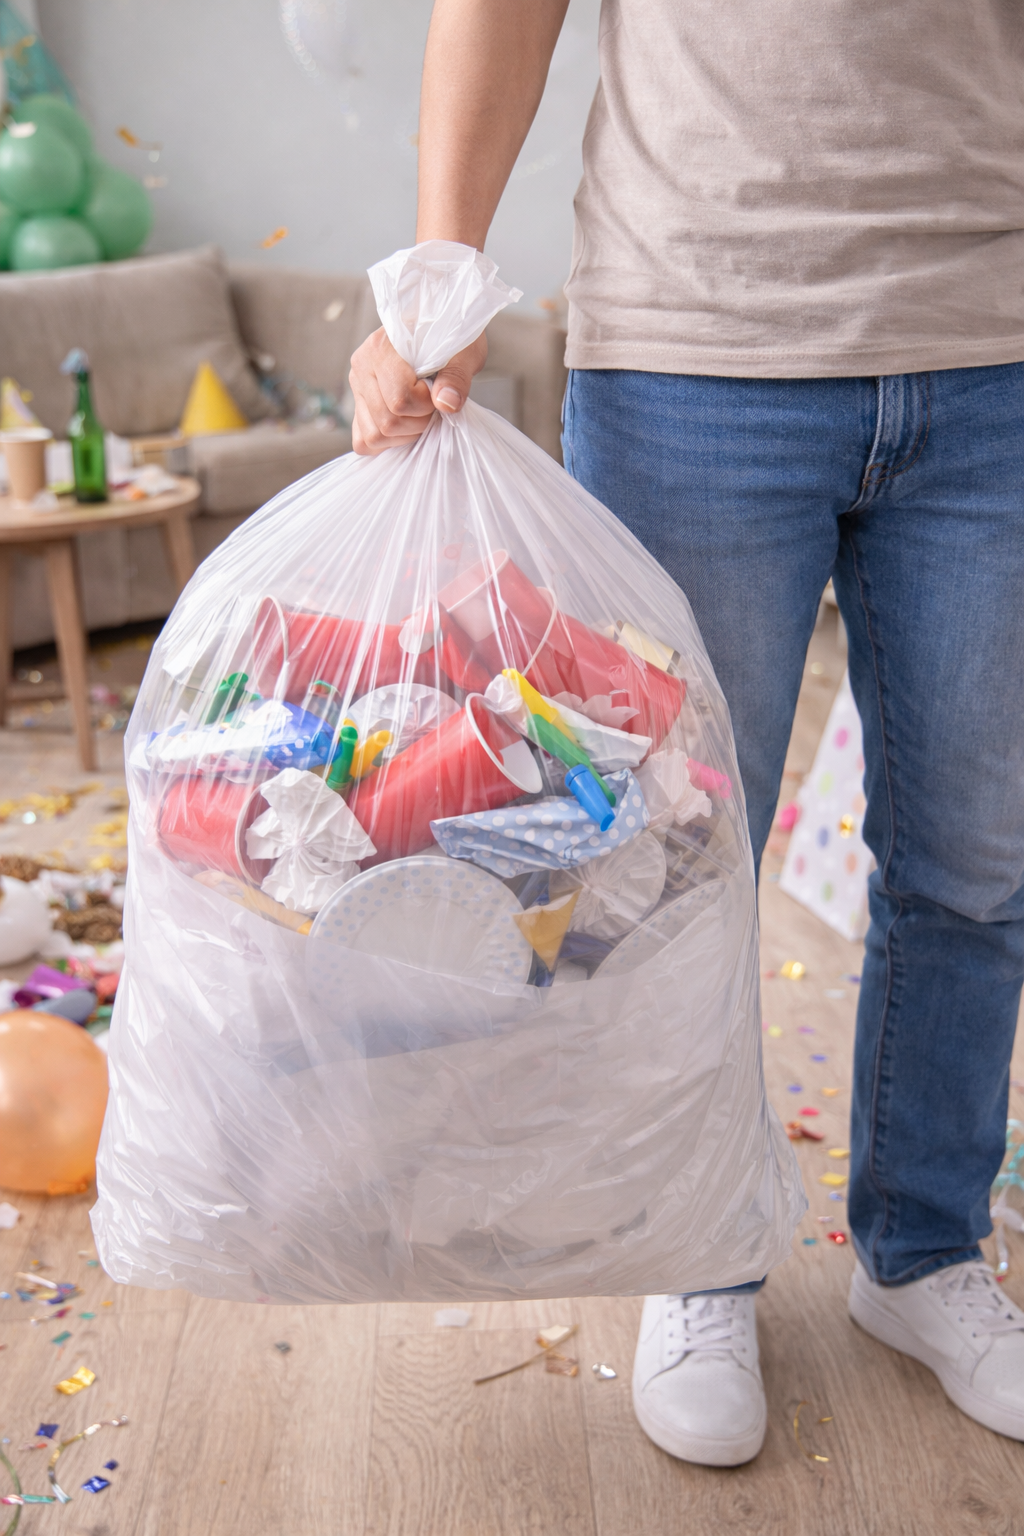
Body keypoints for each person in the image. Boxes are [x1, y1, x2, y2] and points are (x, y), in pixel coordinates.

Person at [348, 0, 1024, 1464]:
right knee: (672, 862)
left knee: (978, 864)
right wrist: (443, 265)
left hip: (999, 354)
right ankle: (699, 1258)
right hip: (695, 354)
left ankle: (924, 1252)